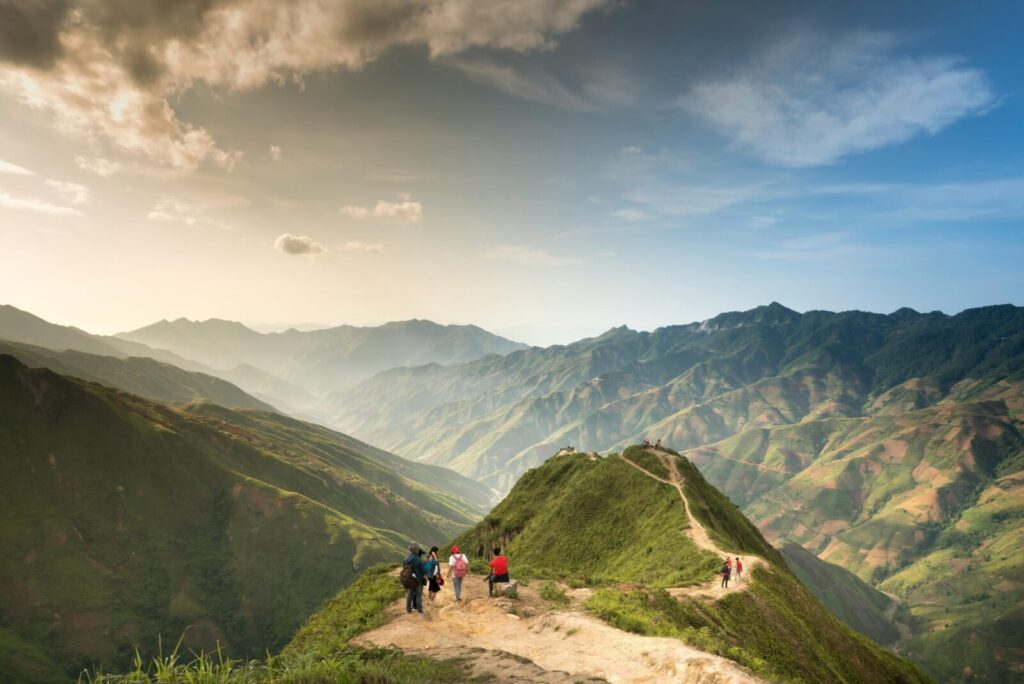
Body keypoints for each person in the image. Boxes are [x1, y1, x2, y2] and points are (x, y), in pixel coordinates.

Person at [403, 543, 427, 614]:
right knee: (418, 594)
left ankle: (408, 609)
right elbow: (424, 571)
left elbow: (404, 568)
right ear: (417, 550)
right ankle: (419, 610)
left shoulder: (406, 559)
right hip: (418, 580)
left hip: (409, 579)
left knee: (410, 594)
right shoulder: (419, 559)